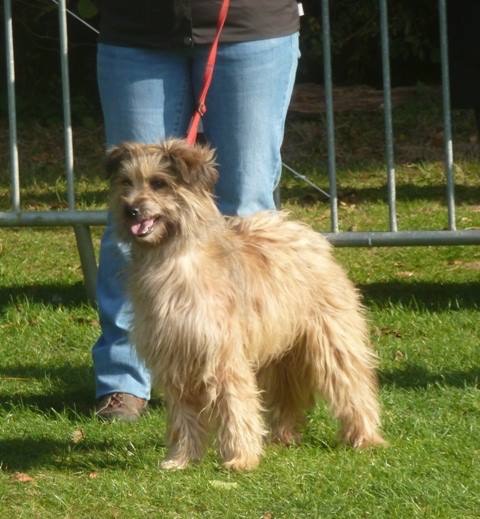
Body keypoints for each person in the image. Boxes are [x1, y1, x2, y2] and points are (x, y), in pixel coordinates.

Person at [93, 0, 302, 420]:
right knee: (133, 220)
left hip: (250, 22)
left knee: (247, 214)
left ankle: (243, 374)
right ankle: (124, 381)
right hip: (136, 27)